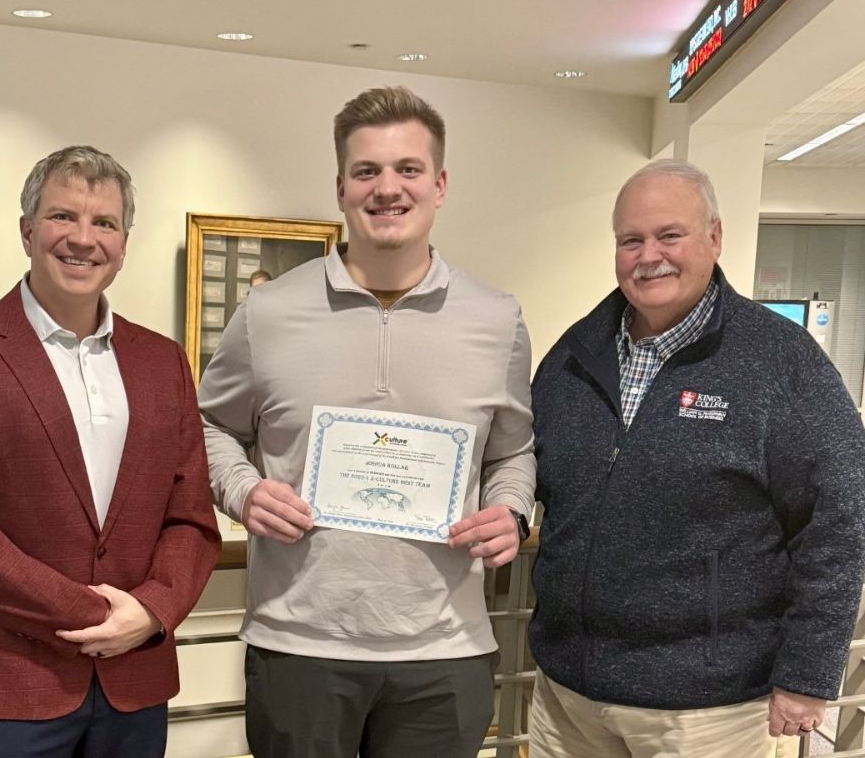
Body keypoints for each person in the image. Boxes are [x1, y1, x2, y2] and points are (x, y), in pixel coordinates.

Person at [199, 85, 536, 758]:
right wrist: (244, 491)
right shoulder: (268, 314)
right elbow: (209, 429)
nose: (388, 188)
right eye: (367, 172)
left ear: (439, 184)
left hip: (447, 649)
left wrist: (510, 510)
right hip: (298, 643)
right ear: (341, 188)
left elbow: (512, 452)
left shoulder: (497, 320)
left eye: (408, 169)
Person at [528, 159, 865, 758]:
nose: (648, 255)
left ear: (714, 236)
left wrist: (808, 674)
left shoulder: (780, 362)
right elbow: (528, 468)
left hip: (712, 710)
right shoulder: (574, 357)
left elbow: (839, 520)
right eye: (631, 240)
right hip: (571, 697)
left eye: (669, 235)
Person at [0, 145, 220, 757]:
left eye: (104, 223)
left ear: (125, 243)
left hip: (136, 680)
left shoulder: (162, 361)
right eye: (62, 217)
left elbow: (190, 517)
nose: (83, 238)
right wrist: (91, 614)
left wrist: (152, 613)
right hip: (10, 681)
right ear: (26, 231)